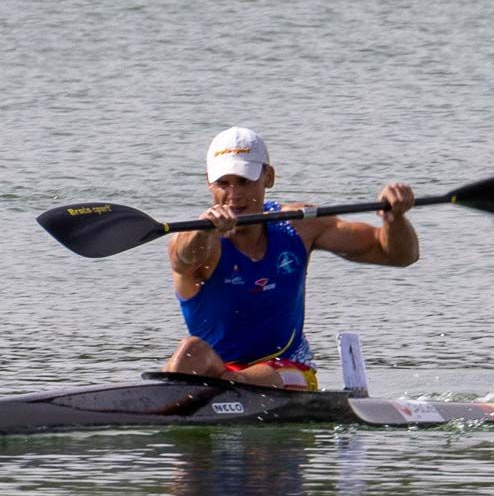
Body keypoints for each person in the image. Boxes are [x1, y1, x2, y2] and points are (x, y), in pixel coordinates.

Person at [164, 126, 419, 390]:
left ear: (268, 177)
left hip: (286, 366)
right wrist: (204, 233)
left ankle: (214, 392)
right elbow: (181, 260)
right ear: (208, 182)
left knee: (234, 380)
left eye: (244, 181)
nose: (234, 195)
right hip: (218, 367)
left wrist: (395, 218)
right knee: (189, 351)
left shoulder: (298, 225)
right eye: (223, 183)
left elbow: (398, 255)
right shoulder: (198, 240)